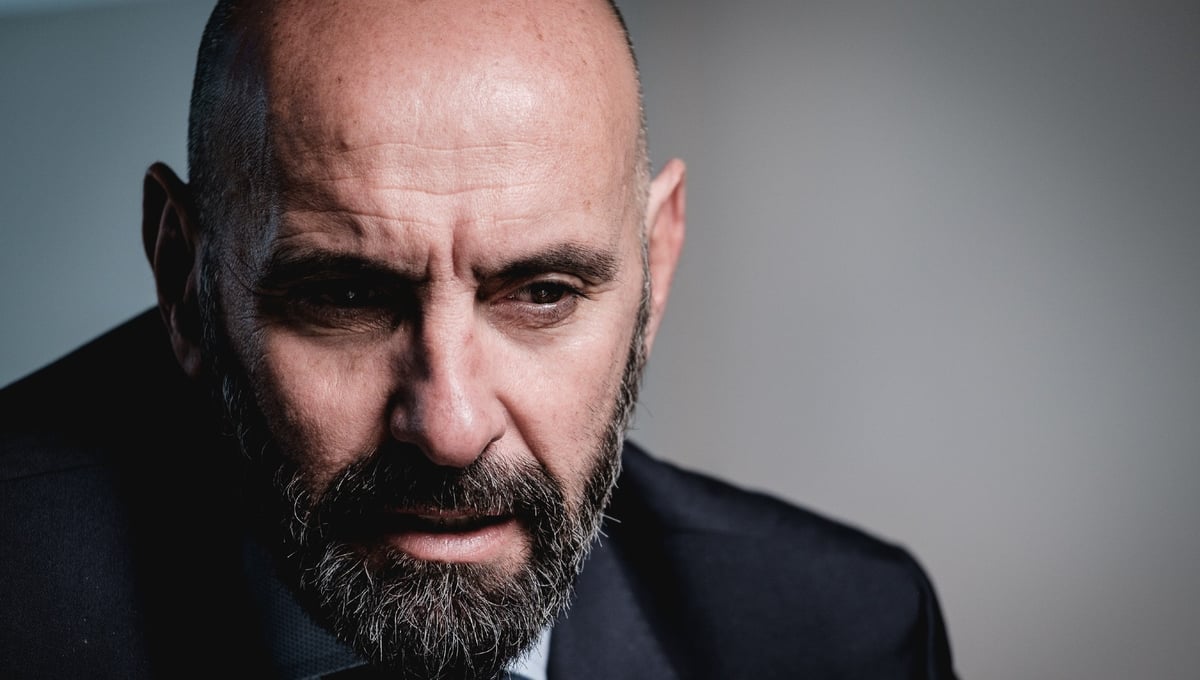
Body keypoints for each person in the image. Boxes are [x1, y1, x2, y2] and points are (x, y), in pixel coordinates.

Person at [0, 0, 958, 678]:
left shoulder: (848, 636)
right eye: (345, 295)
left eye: (542, 293)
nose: (450, 428)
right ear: (186, 281)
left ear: (655, 268)